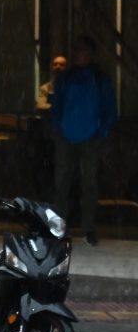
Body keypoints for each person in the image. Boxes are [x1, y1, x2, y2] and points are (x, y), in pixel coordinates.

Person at [50, 35, 116, 246]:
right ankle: (60, 228)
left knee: (87, 185)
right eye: (76, 50)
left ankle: (87, 227)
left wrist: (101, 132)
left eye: (81, 50)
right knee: (63, 184)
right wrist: (58, 130)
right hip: (69, 136)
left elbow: (109, 109)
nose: (77, 54)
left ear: (91, 54)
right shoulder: (67, 78)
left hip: (88, 137)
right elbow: (57, 106)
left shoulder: (99, 79)